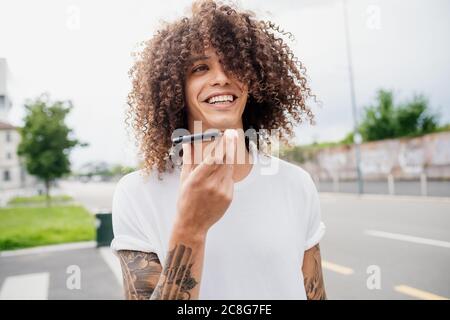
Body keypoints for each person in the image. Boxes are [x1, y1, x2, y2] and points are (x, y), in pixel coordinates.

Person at [111, 0, 326, 300]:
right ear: (174, 88)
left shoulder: (296, 183)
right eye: (200, 68)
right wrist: (192, 226)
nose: (221, 77)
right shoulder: (137, 193)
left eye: (233, 65)